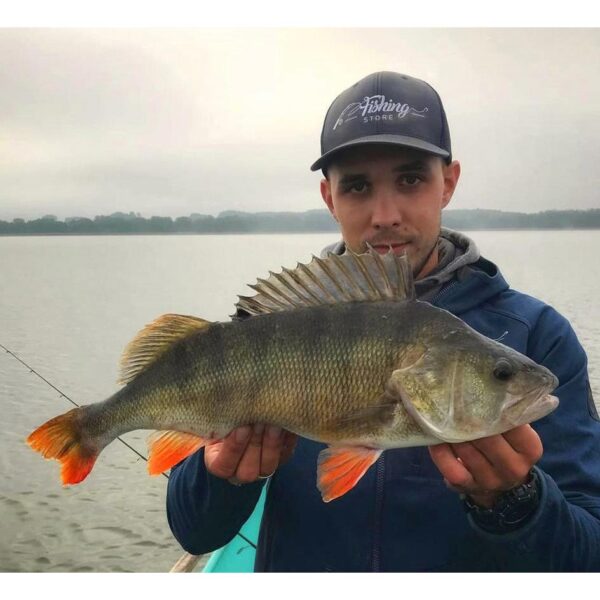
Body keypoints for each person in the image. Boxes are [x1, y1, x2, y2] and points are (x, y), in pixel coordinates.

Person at [166, 71, 600, 571]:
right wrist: (223, 478)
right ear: (329, 198)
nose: (386, 214)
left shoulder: (537, 335)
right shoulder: (276, 325)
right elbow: (194, 530)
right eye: (357, 186)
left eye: (410, 180)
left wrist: (518, 504)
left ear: (448, 183)